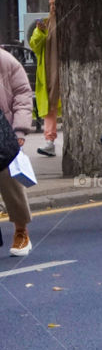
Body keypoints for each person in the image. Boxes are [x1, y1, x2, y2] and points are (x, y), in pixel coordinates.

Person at [0, 46, 34, 256]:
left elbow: (23, 94)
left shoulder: (6, 61)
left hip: (4, 132)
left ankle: (21, 231)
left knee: (10, 183)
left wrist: (19, 130)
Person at [29, 0, 61, 156]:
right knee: (50, 106)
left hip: (65, 71)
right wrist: (40, 32)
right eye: (50, 4)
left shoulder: (70, 23)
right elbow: (35, 46)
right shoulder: (45, 23)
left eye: (55, 4)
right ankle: (49, 141)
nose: (52, 7)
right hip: (49, 71)